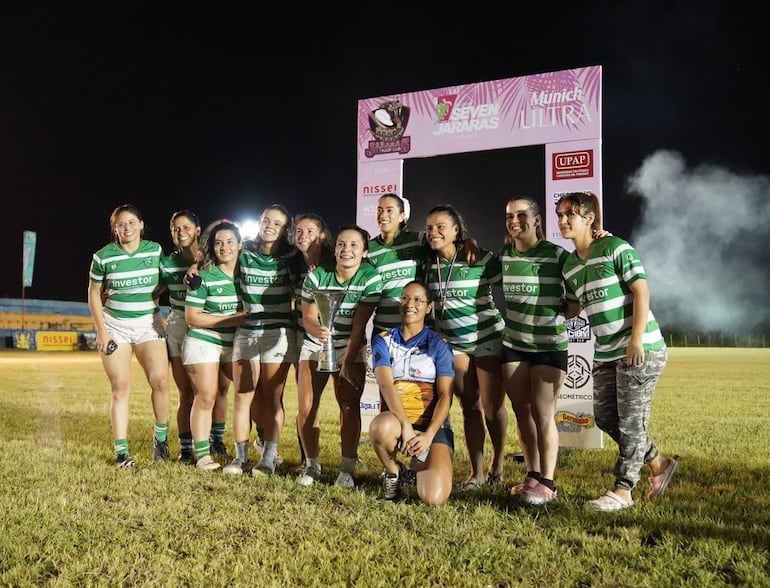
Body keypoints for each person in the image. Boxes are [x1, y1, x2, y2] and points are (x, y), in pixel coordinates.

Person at [556, 190, 678, 511]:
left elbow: (642, 291)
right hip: (606, 353)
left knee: (630, 423)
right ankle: (659, 464)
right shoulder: (569, 264)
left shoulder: (614, 247)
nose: (563, 220)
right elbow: (573, 306)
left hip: (640, 349)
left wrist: (636, 339)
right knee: (607, 417)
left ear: (589, 218)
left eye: (570, 214)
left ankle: (623, 491)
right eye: (560, 215)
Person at [423, 204, 508, 488]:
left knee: (493, 408)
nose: (434, 233)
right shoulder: (427, 264)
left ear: (456, 231)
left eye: (441, 227)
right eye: (430, 228)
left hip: (488, 339)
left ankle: (498, 463)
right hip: (454, 344)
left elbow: (511, 277)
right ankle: (477, 472)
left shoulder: (479, 257)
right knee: (469, 406)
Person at [296, 225, 382, 488]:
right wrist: (318, 331)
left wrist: (348, 359)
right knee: (307, 407)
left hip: (350, 344)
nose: (347, 250)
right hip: (315, 343)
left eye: (354, 245)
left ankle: (347, 468)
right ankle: (311, 465)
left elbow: (359, 324)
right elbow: (308, 317)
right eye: (342, 244)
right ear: (334, 249)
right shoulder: (317, 276)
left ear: (364, 252)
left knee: (348, 404)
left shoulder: (370, 277)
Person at [87, 204, 171, 468]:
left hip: (148, 326)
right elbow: (93, 293)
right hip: (116, 327)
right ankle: (122, 452)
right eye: (121, 224)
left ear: (142, 225)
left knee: (160, 380)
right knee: (120, 387)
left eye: (132, 222)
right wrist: (102, 331)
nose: (127, 228)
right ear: (115, 229)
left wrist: (157, 303)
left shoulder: (155, 250)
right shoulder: (103, 257)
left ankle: (161, 440)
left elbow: (168, 278)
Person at [499, 196, 570, 505]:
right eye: (509, 216)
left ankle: (548, 484)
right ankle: (532, 473)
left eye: (521, 214)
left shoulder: (558, 256)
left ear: (537, 220)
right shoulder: (504, 255)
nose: (514, 220)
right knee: (521, 412)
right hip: (513, 345)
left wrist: (571, 306)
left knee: (543, 413)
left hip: (548, 346)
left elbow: (576, 297)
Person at [224, 204, 296, 476]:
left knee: (272, 398)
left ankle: (268, 456)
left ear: (284, 230)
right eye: (266, 220)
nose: (269, 226)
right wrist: (196, 264)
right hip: (247, 331)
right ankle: (239, 458)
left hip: (278, 333)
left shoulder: (291, 256)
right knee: (243, 397)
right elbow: (212, 256)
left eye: (277, 223)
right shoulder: (244, 252)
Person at [369, 280, 455, 505]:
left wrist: (428, 435)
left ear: (428, 307)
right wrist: (406, 427)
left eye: (418, 299)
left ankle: (416, 468)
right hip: (399, 423)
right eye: (405, 298)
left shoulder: (439, 345)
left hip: (432, 427)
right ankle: (393, 473)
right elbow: (386, 386)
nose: (410, 304)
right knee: (380, 426)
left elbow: (446, 396)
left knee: (433, 498)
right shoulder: (383, 340)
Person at [160, 210, 233, 463]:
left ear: (198, 230)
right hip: (181, 325)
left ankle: (217, 440)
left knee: (221, 388)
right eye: (176, 228)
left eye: (186, 227)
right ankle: (187, 449)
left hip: (212, 324)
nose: (181, 232)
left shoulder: (212, 255)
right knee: (187, 393)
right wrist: (156, 317)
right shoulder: (167, 263)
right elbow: (154, 289)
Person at [183, 220, 249, 470]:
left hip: (236, 342)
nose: (225, 247)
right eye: (219, 242)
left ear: (240, 244)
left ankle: (257, 448)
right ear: (212, 246)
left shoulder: (248, 273)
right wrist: (233, 318)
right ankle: (202, 455)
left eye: (230, 242)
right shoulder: (202, 274)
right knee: (206, 395)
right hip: (204, 339)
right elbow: (193, 316)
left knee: (249, 393)